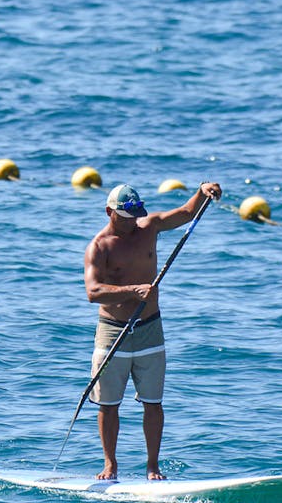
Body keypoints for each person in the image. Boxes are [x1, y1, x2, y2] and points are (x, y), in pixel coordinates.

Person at [84, 181, 221, 480]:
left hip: (150, 328)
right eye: (125, 217)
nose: (132, 223)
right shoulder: (99, 247)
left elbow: (187, 212)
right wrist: (132, 291)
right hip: (113, 331)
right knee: (108, 405)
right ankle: (110, 464)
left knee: (153, 403)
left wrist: (202, 191)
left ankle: (152, 465)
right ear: (109, 212)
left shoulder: (150, 227)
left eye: (135, 216)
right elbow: (93, 292)